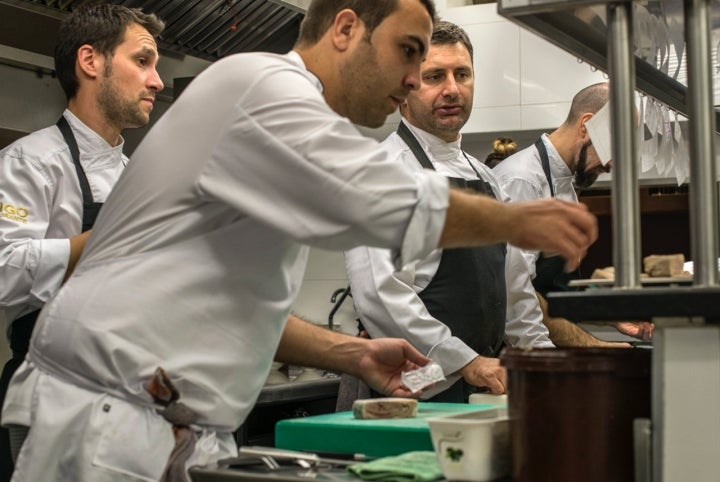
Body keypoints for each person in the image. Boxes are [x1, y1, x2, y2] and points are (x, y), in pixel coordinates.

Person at [2, 1, 597, 480]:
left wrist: (350, 354)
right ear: (345, 29)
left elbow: (232, 300)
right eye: (408, 52)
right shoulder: (258, 83)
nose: (415, 78)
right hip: (107, 420)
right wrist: (518, 221)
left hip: (170, 428)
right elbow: (368, 199)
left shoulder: (289, 122)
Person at [341, 20, 553, 405]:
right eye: (434, 76)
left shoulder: (487, 179)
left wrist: (544, 360)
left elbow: (514, 290)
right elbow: (381, 294)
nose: (452, 89)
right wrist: (466, 362)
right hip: (417, 389)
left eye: (462, 74)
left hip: (484, 386)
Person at [0, 4, 165, 480]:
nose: (156, 81)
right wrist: (105, 239)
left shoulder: (140, 177)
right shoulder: (30, 162)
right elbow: (4, 268)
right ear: (90, 62)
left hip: (136, 397)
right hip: (54, 397)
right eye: (143, 61)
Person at [493, 82, 653, 346]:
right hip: (517, 358)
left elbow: (552, 293)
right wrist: (568, 354)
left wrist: (607, 314)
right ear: (586, 126)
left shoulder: (564, 185)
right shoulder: (523, 182)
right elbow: (514, 297)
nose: (613, 164)